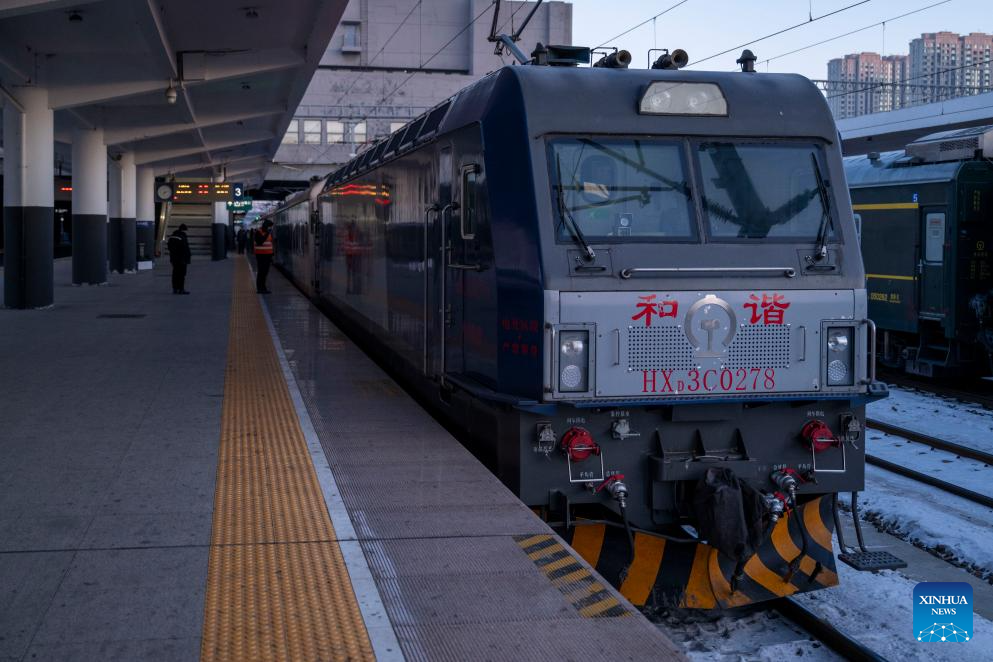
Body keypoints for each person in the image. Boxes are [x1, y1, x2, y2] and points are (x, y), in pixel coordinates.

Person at [167, 223, 192, 294]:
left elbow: (169, 247)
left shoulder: (172, 236)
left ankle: (175, 289)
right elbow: (185, 249)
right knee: (181, 275)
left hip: (173, 259)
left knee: (175, 274)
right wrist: (187, 259)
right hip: (182, 260)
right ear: (184, 230)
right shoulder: (182, 237)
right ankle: (181, 289)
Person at [254, 220, 274, 294]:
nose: (270, 228)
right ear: (266, 226)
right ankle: (260, 288)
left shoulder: (268, 233)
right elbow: (260, 242)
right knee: (261, 272)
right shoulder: (258, 232)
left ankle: (263, 288)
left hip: (267, 255)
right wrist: (267, 233)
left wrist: (272, 254)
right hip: (261, 255)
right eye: (269, 227)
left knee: (265, 272)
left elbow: (269, 244)